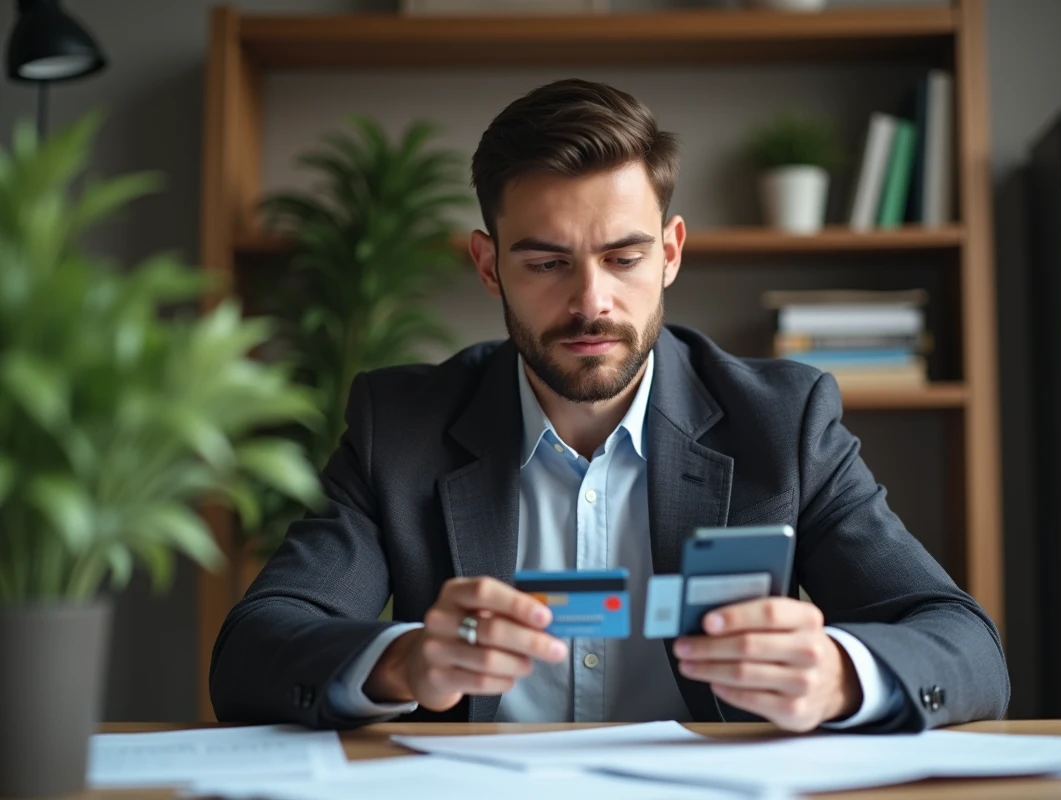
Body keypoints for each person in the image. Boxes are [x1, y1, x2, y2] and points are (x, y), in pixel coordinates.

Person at [210, 79, 1009, 733]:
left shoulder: (785, 422)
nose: (591, 302)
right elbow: (255, 647)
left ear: (670, 253)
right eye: (548, 262)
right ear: (488, 268)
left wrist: (838, 674)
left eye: (623, 257)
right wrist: (404, 661)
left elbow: (963, 643)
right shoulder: (401, 428)